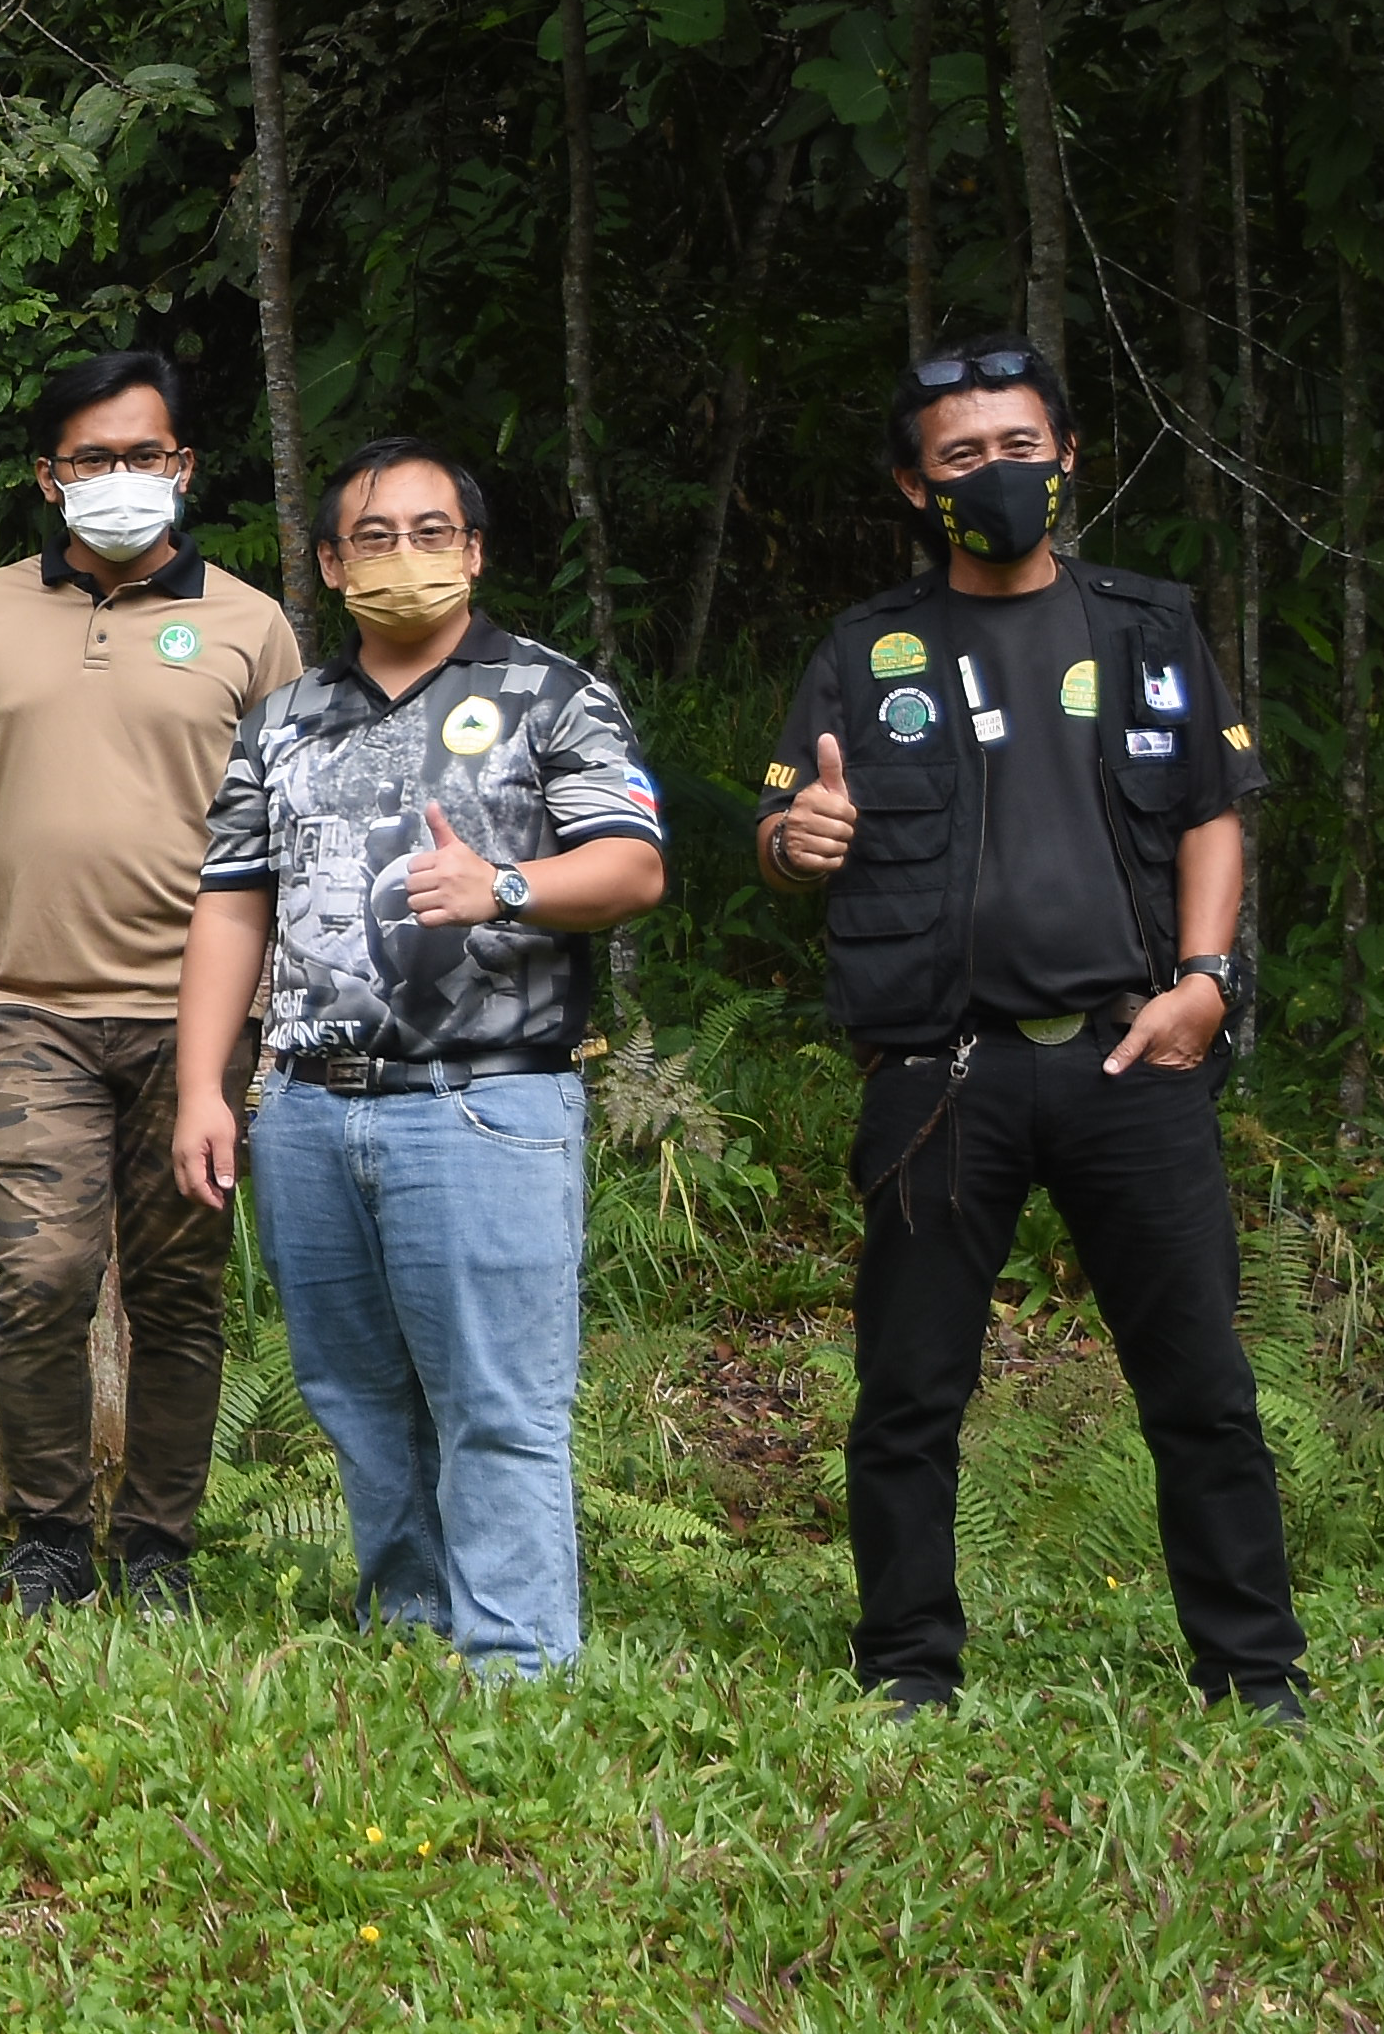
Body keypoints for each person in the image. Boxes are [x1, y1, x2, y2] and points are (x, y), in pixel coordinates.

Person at [753, 338, 1306, 1719]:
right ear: (912, 484)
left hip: (1135, 1056)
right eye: (959, 457)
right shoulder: (866, 649)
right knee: (908, 1390)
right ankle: (908, 1669)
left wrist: (1206, 981)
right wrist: (796, 837)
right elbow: (782, 836)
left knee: (1201, 1386)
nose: (993, 475)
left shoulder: (1147, 625)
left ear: (1068, 459)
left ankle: (1253, 1674)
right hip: (945, 1073)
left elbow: (1212, 817)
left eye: (1017, 448)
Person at [170, 441, 663, 1675]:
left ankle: (517, 1662)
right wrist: (202, 1087)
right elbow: (233, 905)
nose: (407, 557)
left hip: (485, 1103)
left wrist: (501, 883)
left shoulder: (553, 694)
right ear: (331, 563)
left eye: (433, 531)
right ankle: (410, 1629)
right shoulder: (282, 723)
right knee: (357, 1400)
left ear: (476, 551)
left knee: (497, 1404)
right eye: (375, 537)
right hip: (309, 1108)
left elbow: (633, 867)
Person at [0, 345, 305, 1619]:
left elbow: (293, 823)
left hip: (201, 1026)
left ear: (182, 465)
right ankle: (52, 1534)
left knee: (179, 1288)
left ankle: (160, 1546)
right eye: (92, 459)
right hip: (31, 1010)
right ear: (48, 478)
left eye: (144, 454)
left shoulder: (251, 624)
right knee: (44, 1277)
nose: (120, 478)